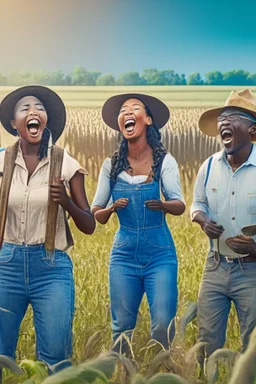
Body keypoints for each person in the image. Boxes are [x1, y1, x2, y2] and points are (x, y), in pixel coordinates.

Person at [0, 85, 95, 372]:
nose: (33, 112)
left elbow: (89, 224)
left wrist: (65, 200)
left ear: (46, 121)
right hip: (6, 266)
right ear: (15, 124)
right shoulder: (1, 161)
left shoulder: (65, 163)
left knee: (56, 359)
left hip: (51, 268)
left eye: (39, 108)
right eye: (25, 108)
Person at [92, 93, 185, 351]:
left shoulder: (164, 161)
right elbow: (96, 212)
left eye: (135, 108)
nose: (127, 112)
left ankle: (159, 371)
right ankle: (124, 373)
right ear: (120, 123)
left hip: (159, 254)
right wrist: (110, 209)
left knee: (163, 324)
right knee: (121, 326)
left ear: (148, 120)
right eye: (123, 110)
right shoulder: (111, 165)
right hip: (123, 255)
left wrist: (163, 205)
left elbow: (179, 204)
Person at [190, 89, 256, 360]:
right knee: (206, 344)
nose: (224, 123)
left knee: (252, 346)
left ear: (252, 130)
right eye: (222, 118)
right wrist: (203, 220)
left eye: (234, 117)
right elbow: (197, 204)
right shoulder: (208, 166)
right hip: (214, 267)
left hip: (251, 272)